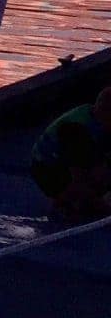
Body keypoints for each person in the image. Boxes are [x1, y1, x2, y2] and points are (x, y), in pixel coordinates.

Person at [30, 84, 111, 224]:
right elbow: (80, 178)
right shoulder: (76, 130)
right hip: (49, 169)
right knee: (88, 188)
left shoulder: (98, 121)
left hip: (83, 156)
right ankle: (65, 203)